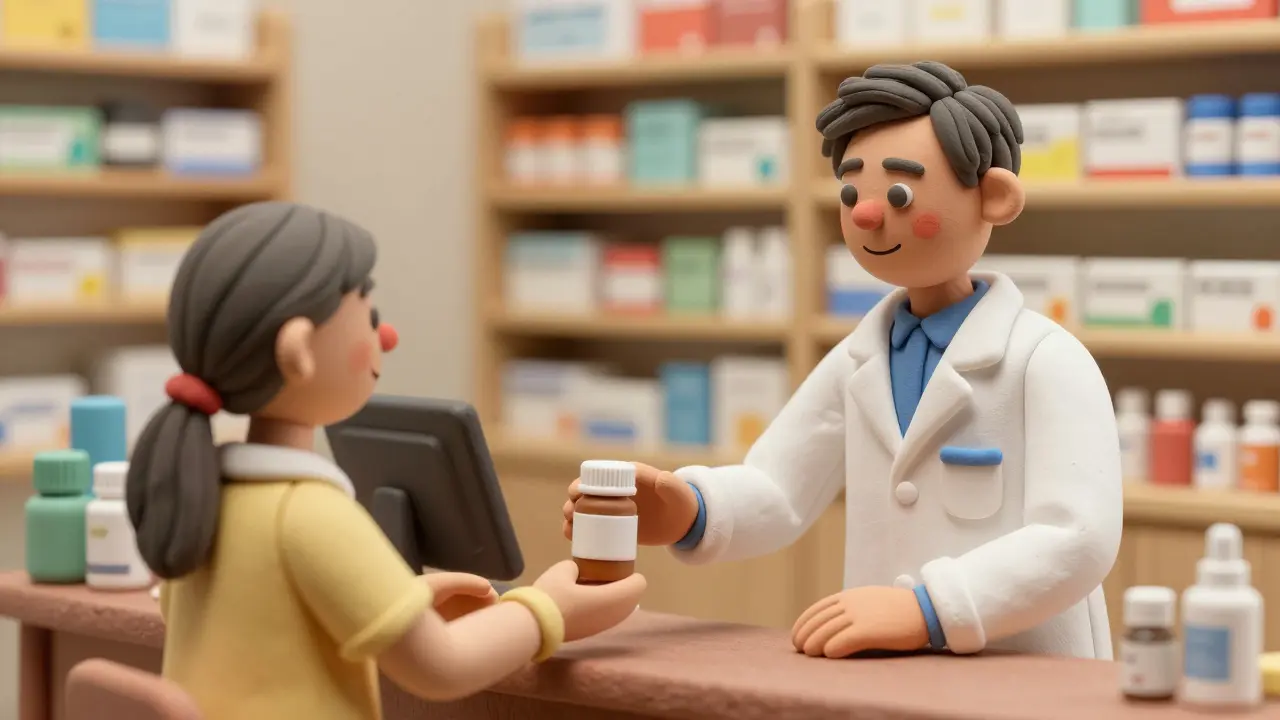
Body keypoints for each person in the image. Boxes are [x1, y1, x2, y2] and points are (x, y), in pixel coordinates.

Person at [563, 61, 1122, 661]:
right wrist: (692, 510)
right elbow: (780, 487)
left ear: (995, 197)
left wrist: (930, 608)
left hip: (1025, 670)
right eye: (853, 191)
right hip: (883, 672)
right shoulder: (860, 357)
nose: (865, 214)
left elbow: (1078, 538)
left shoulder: (1047, 360)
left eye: (901, 192)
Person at [128, 201, 646, 720]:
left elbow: (263, 621)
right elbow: (442, 668)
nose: (387, 337)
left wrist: (392, 601)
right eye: (369, 317)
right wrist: (549, 609)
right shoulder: (308, 514)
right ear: (299, 350)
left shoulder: (201, 497)